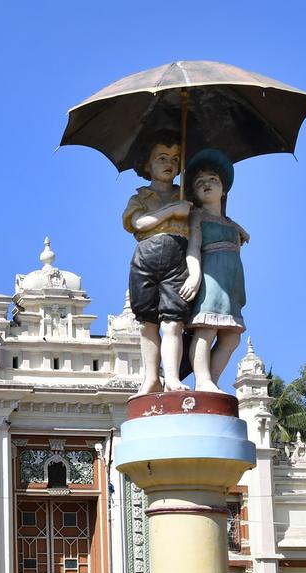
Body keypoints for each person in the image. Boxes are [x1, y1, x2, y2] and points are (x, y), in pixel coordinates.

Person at [122, 132, 195, 395]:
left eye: (175, 159)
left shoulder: (186, 194)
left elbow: (198, 228)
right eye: (162, 158)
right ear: (147, 165)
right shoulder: (140, 197)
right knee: (146, 322)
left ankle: (172, 377)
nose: (169, 164)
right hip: (145, 258)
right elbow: (139, 223)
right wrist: (171, 211)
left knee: (173, 321)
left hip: (178, 257)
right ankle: (151, 377)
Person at [181, 148, 249, 392]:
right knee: (206, 330)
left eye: (213, 180)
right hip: (210, 281)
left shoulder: (232, 224)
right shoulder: (197, 216)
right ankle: (202, 380)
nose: (206, 184)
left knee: (232, 337)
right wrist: (195, 274)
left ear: (224, 189)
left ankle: (213, 380)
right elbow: (193, 248)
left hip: (231, 287)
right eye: (200, 182)